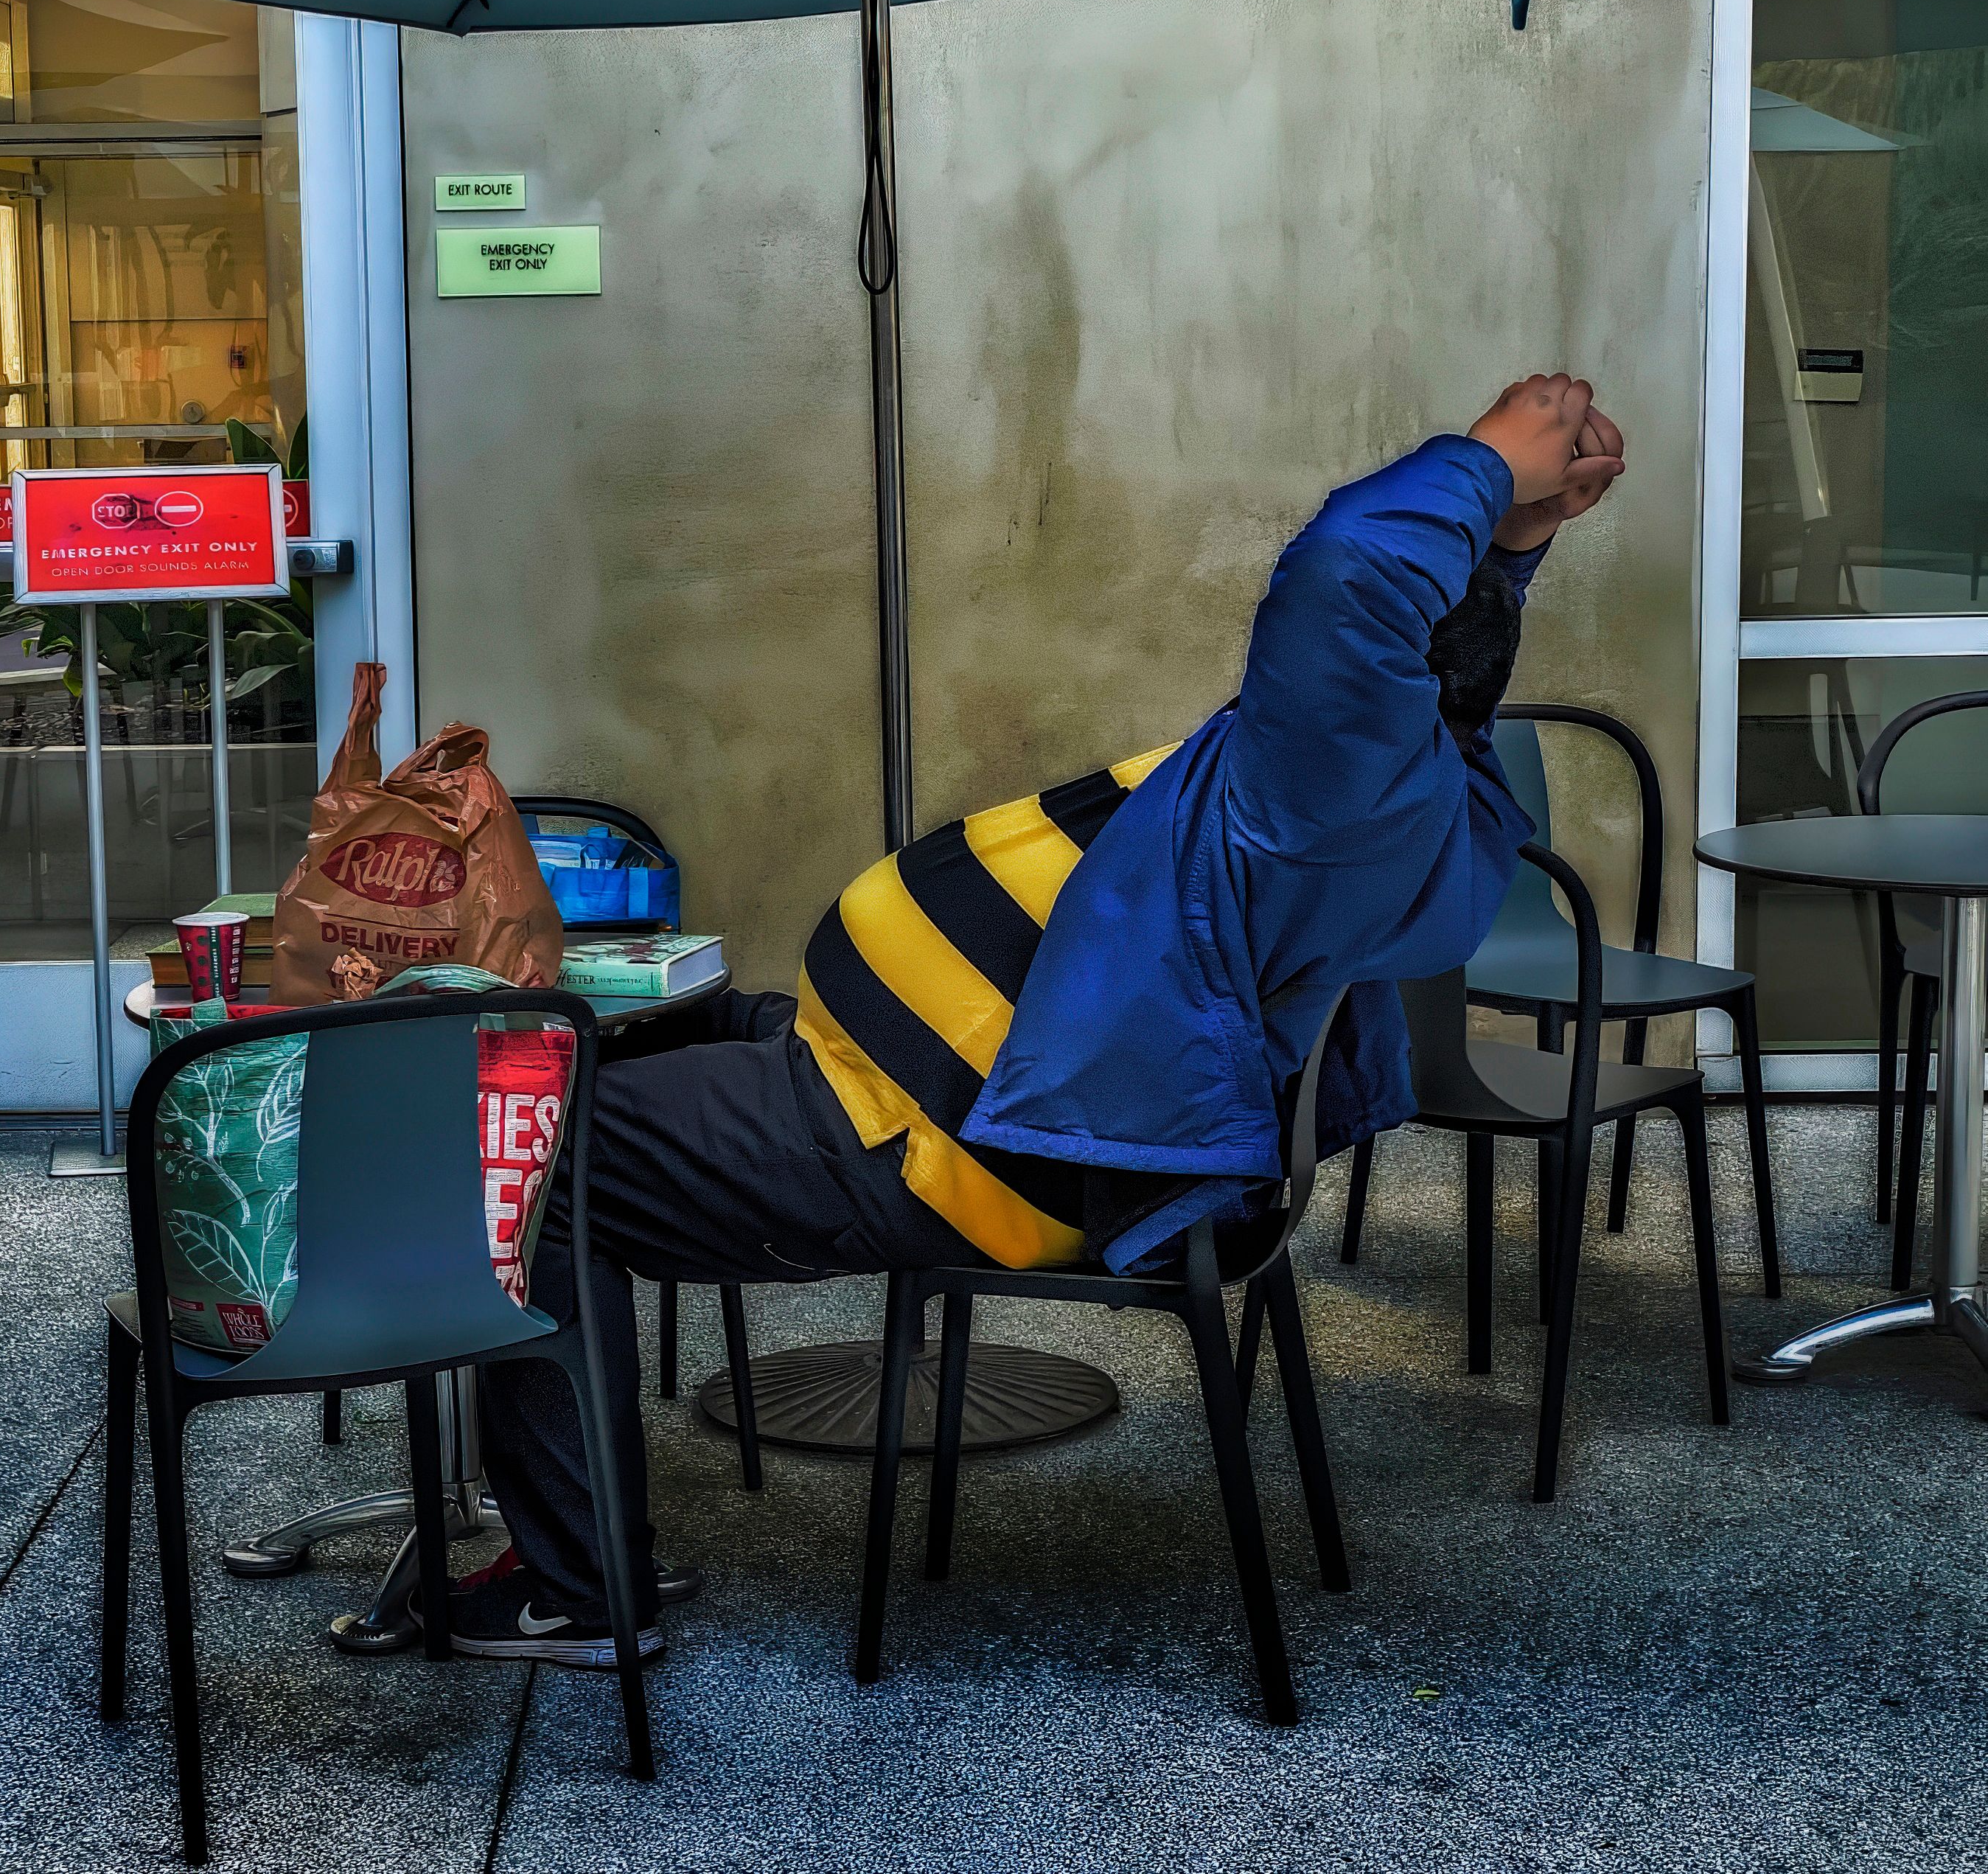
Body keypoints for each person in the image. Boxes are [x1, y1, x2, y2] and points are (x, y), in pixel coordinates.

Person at [437, 373, 1625, 1666]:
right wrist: (1511, 550)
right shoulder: (1404, 790)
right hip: (970, 1084)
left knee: (534, 1159)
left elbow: (1346, 571)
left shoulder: (1330, 802)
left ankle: (575, 1588)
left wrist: (1483, 462)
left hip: (952, 1143)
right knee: (663, 1036)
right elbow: (1416, 640)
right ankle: (558, 1493)